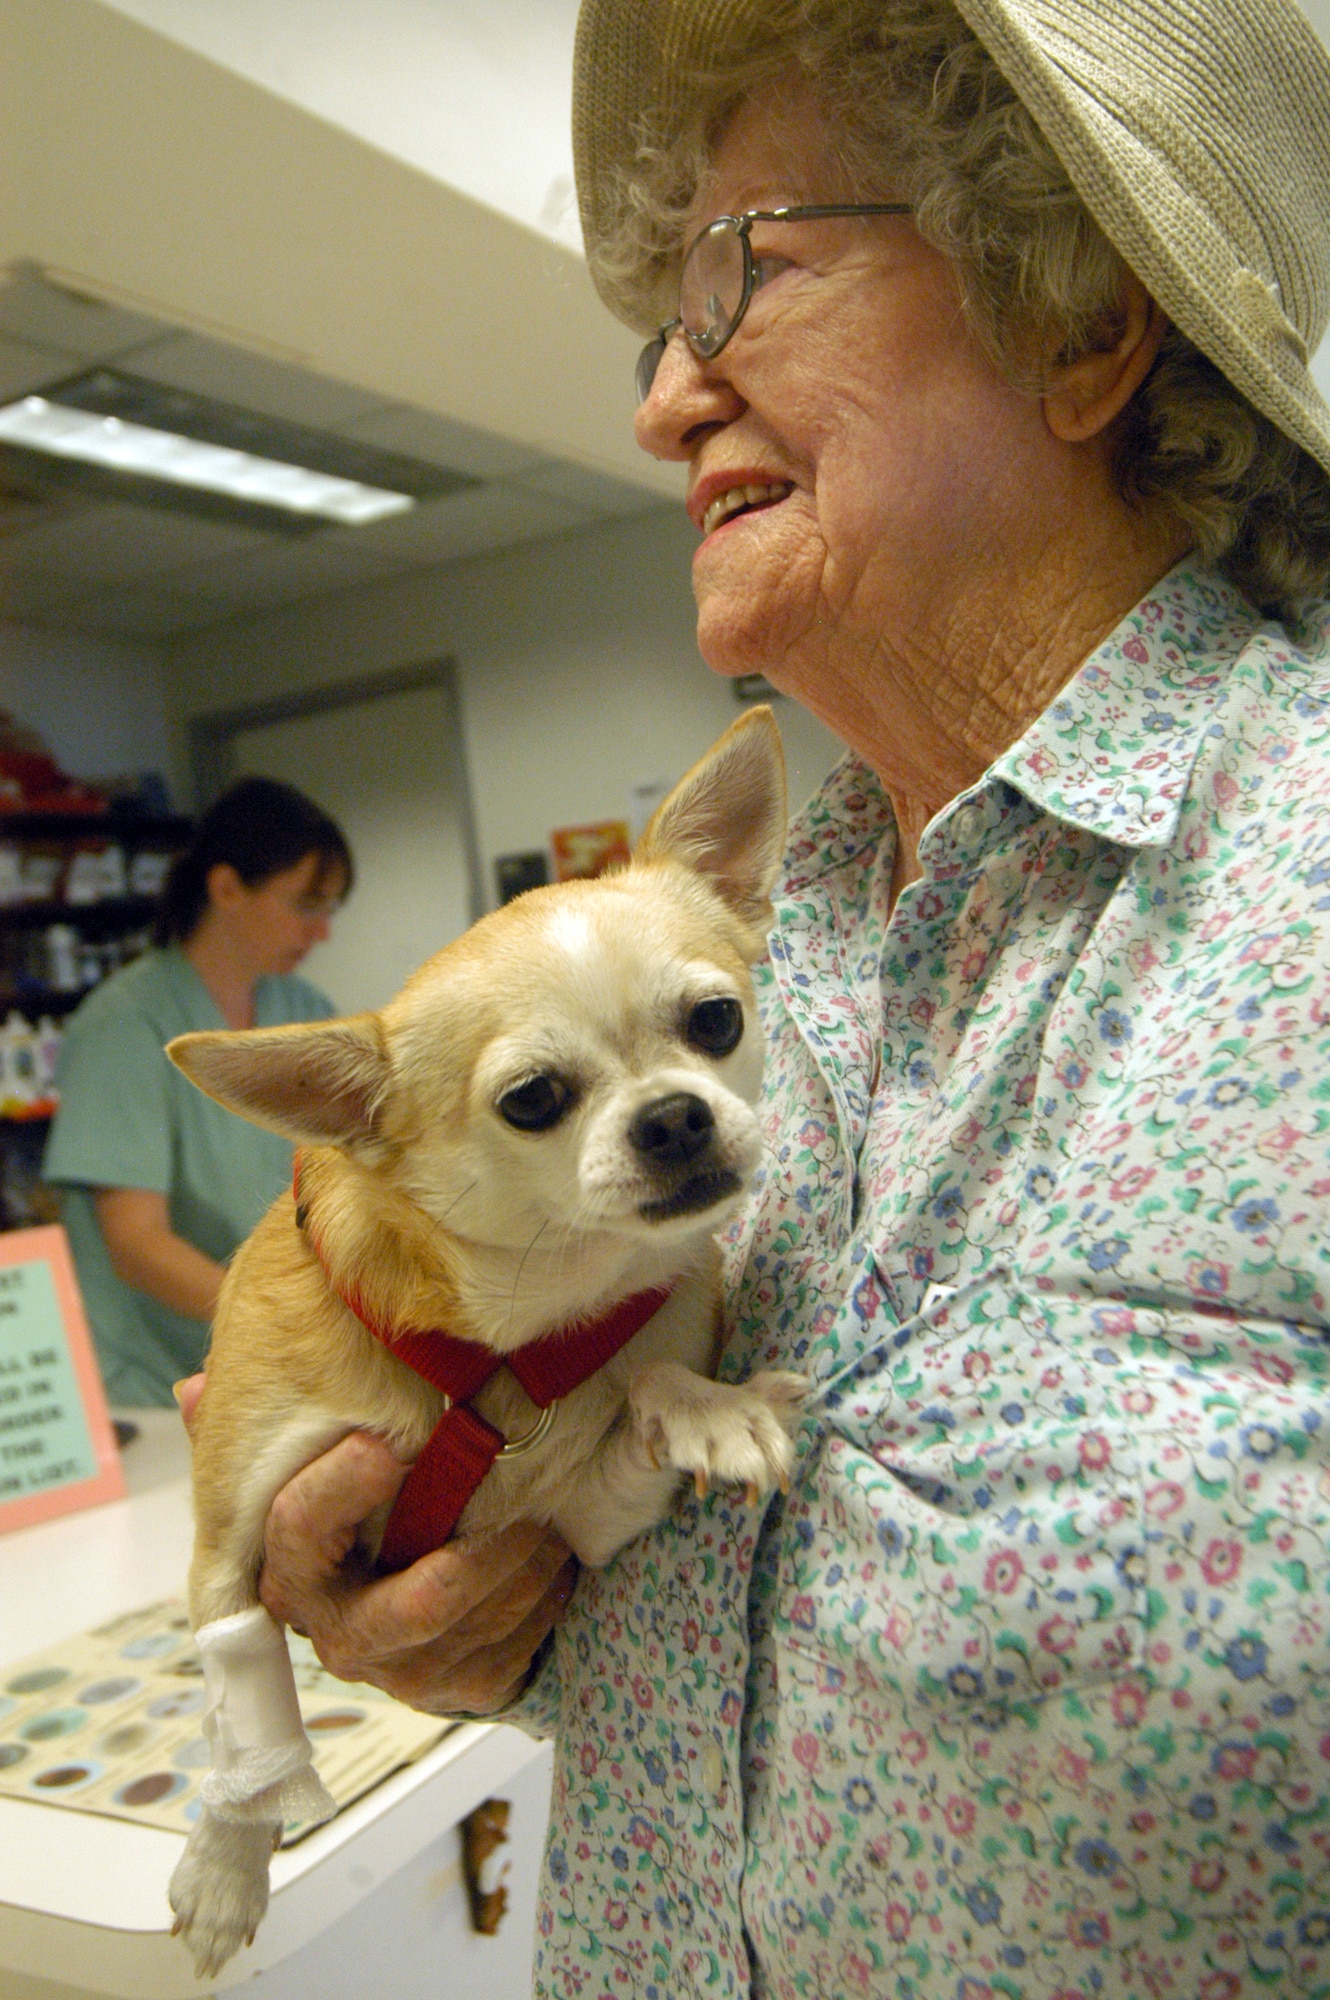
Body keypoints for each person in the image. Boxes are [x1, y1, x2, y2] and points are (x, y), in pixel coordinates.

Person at [191, 2, 1330, 1992]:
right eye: (663, 321)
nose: (659, 402)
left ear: (1080, 323)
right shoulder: (742, 950)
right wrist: (489, 1610)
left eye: (756, 269)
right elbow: (744, 1646)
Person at [45, 778, 351, 1407]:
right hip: (153, 1381)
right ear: (225, 888)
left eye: (331, 909)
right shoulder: (125, 1023)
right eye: (305, 904)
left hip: (273, 1366)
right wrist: (292, 1324)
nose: (322, 932)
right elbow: (137, 1245)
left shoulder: (301, 1008)